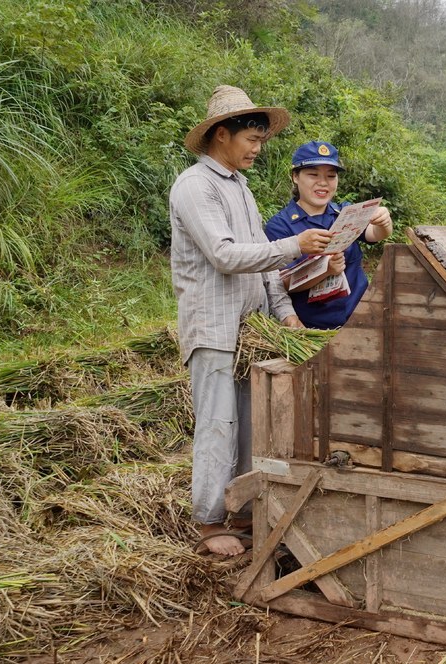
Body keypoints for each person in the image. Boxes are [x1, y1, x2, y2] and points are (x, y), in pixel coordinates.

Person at [170, 86, 334, 556]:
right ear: (222, 135)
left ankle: (239, 510)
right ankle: (207, 522)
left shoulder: (239, 188)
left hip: (248, 330)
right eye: (252, 138)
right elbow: (224, 255)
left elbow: (261, 265)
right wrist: (295, 246)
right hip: (215, 328)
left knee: (248, 422)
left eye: (262, 139)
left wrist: (284, 313)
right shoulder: (194, 187)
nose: (258, 148)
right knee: (218, 423)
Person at [264, 141, 393, 329]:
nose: (323, 182)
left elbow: (375, 234)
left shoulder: (345, 213)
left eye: (331, 176)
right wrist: (324, 270)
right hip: (316, 329)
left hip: (363, 317)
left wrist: (384, 222)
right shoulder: (280, 226)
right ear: (295, 177)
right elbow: (281, 284)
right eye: (313, 174)